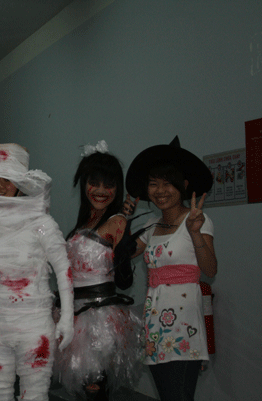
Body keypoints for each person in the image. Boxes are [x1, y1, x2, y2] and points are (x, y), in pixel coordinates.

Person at [0, 143, 74, 401]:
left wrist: (67, 318)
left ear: (21, 184)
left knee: (34, 396)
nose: (0, 187)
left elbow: (63, 269)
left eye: (8, 180)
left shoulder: (41, 223)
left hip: (34, 328)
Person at [125, 137, 217, 401]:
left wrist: (195, 233)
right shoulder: (151, 225)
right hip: (155, 323)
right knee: (167, 395)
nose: (160, 191)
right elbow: (123, 254)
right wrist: (124, 219)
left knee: (179, 395)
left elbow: (210, 269)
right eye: (154, 183)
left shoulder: (197, 220)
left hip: (184, 325)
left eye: (168, 183)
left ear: (184, 186)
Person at [55, 141, 142, 401]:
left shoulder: (117, 222)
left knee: (95, 388)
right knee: (82, 389)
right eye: (95, 182)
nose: (102, 191)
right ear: (84, 184)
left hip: (99, 320)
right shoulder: (84, 222)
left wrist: (124, 248)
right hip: (74, 314)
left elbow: (124, 282)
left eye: (109, 184)